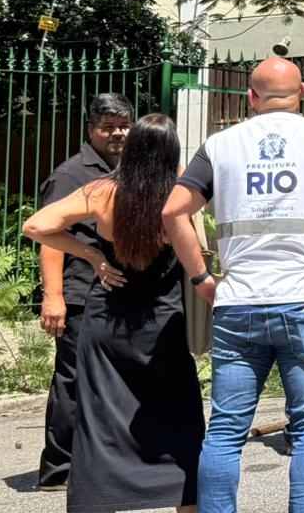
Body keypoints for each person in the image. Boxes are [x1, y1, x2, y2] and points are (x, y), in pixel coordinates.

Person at [161, 56, 304, 513]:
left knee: (225, 431)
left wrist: (202, 278)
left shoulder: (218, 145)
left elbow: (173, 212)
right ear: (303, 94)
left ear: (251, 98)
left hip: (238, 303)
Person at [24, 114, 204, 513]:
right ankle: (186, 501)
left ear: (132, 148)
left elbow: (36, 226)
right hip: (163, 325)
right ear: (172, 152)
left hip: (108, 323)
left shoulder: (101, 190)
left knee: (101, 423)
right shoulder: (180, 191)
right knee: (180, 418)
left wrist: (91, 254)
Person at [35, 93, 133, 493]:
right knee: (73, 381)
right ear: (91, 129)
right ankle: (58, 469)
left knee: (110, 381)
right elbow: (48, 237)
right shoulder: (72, 174)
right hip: (79, 292)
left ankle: (103, 461)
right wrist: (53, 296)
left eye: (124, 125)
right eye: (108, 127)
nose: (118, 134)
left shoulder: (127, 169)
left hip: (113, 291)